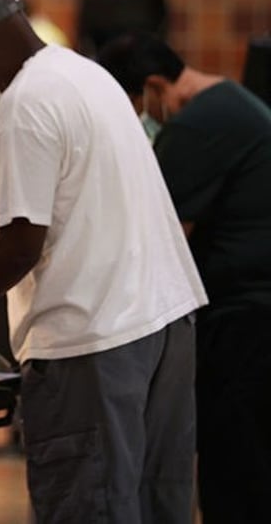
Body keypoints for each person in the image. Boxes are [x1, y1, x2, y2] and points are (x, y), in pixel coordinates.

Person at [0, 0, 206, 523]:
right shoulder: (87, 74)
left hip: (93, 343)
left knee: (88, 507)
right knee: (156, 506)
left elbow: (20, 244)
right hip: (165, 321)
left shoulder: (25, 103)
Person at [97, 32, 271, 524]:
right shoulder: (234, 100)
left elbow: (158, 231)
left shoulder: (196, 123)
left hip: (245, 321)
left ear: (153, 86)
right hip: (254, 315)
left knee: (235, 476)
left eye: (135, 108)